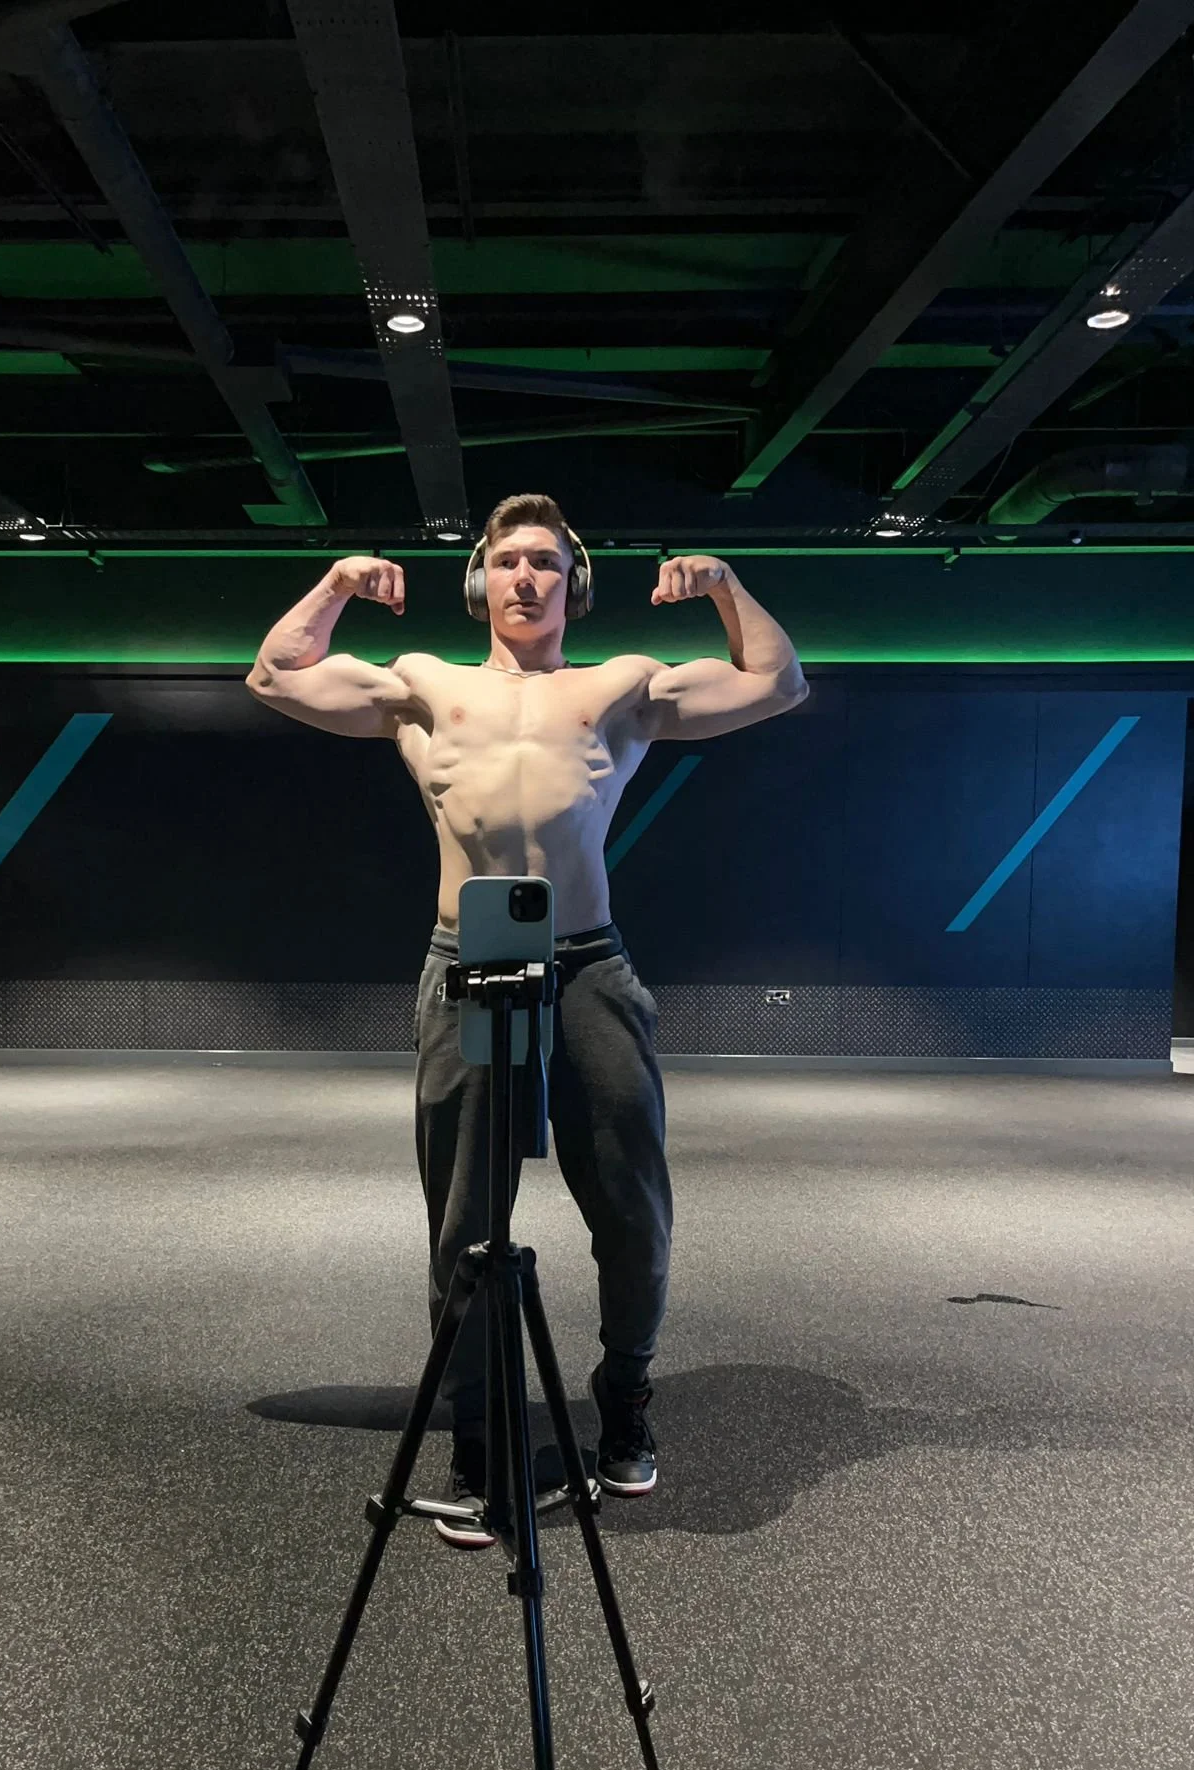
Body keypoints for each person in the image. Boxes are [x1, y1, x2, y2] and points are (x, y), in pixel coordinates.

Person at [247, 492, 808, 1545]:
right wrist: (336, 584)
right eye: (508, 561)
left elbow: (778, 680)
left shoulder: (619, 686)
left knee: (633, 1206)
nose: (526, 578)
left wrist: (726, 586)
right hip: (470, 957)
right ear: (479, 581)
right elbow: (275, 674)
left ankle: (626, 1396)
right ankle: (473, 1433)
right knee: (466, 1226)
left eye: (546, 562)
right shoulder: (423, 683)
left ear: (572, 584)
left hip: (589, 963)